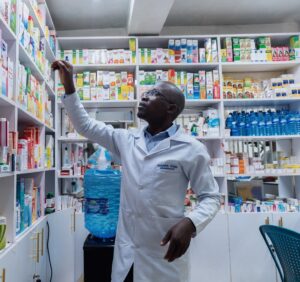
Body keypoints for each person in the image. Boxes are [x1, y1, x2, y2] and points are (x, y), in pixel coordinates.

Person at [52, 60, 221, 282]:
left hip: (162, 255)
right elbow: (85, 126)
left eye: (153, 94)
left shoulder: (191, 149)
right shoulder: (127, 139)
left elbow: (211, 197)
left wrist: (190, 223)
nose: (144, 96)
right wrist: (69, 86)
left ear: (170, 109)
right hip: (127, 252)